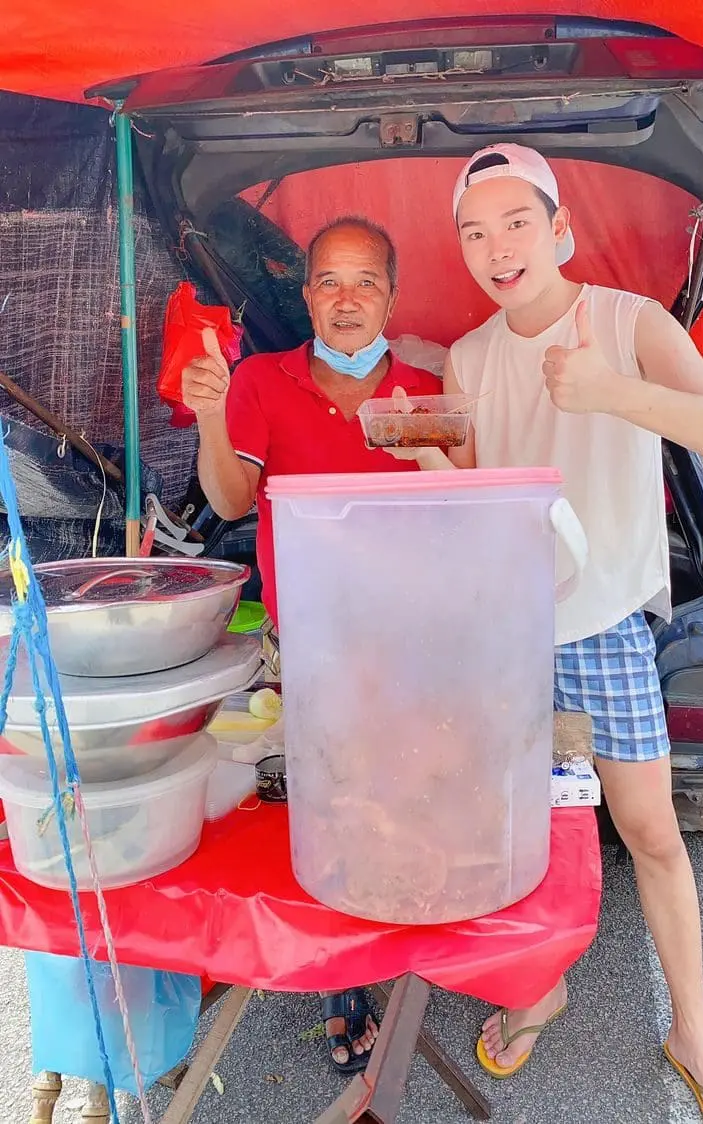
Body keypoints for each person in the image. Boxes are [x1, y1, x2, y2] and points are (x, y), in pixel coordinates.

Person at [391, 144, 703, 1124]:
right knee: (507, 834)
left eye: (517, 221)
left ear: (560, 230)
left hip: (603, 625)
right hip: (506, 631)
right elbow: (475, 500)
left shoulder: (628, 322)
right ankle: (534, 989)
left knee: (649, 830)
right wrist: (429, 456)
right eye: (474, 230)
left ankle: (694, 1030)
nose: (495, 246)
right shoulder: (470, 355)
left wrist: (613, 392)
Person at [181, 215, 443, 1075]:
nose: (346, 299)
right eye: (329, 280)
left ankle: (401, 943)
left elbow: (459, 510)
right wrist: (212, 415)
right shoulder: (259, 380)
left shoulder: (422, 391)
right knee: (330, 801)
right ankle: (343, 979)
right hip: (311, 640)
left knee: (402, 797)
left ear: (391, 298)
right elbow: (226, 502)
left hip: (405, 640)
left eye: (366, 281)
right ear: (305, 295)